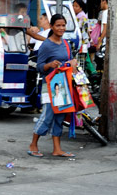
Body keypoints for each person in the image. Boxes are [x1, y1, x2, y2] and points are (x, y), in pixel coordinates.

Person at [28, 14, 77, 158]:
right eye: (58, 25)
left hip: (63, 85)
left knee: (59, 117)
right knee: (47, 116)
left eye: (63, 25)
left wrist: (73, 62)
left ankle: (57, 149)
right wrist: (49, 65)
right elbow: (39, 66)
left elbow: (69, 60)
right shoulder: (46, 45)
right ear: (52, 26)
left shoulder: (66, 44)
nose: (61, 28)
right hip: (49, 85)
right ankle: (33, 145)